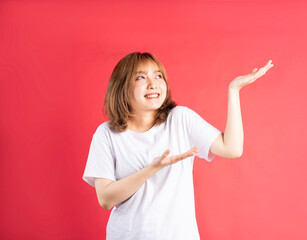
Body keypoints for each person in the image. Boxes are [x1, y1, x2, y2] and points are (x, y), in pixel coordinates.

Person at [82, 52, 274, 240]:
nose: (153, 83)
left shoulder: (180, 119)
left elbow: (232, 148)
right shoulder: (106, 134)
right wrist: (152, 169)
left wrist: (234, 91)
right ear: (122, 87)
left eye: (158, 76)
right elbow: (106, 199)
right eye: (141, 77)